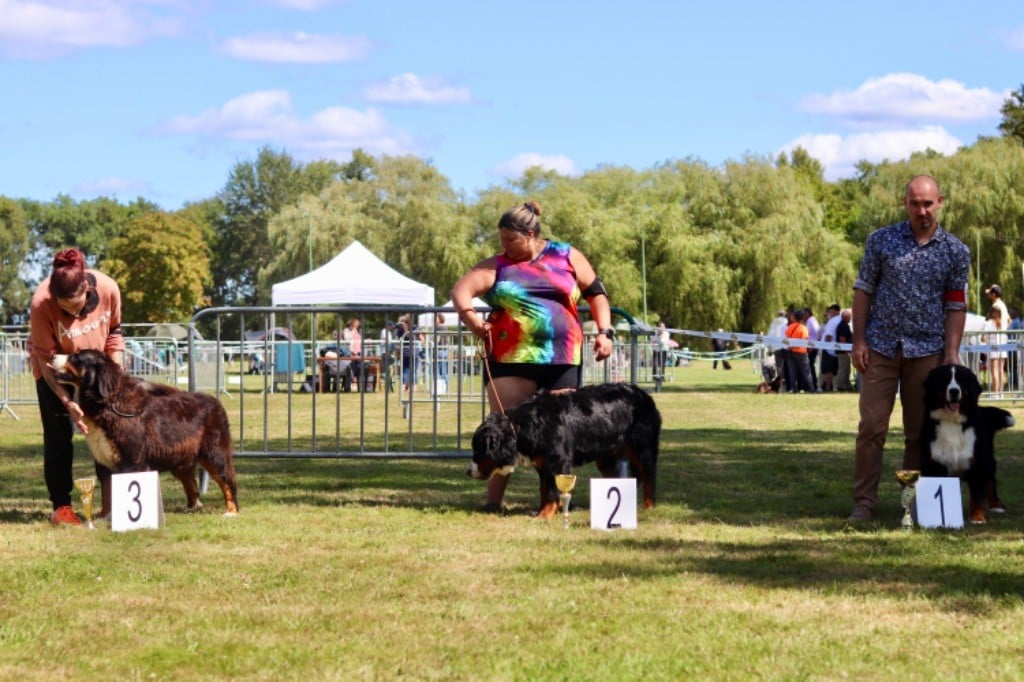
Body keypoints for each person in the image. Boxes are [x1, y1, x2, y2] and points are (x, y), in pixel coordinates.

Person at [450, 200, 614, 513]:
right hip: (509, 359)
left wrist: (605, 332)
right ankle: (492, 503)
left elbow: (596, 294)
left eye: (511, 240)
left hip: (562, 358)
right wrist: (471, 318)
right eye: (501, 240)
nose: (505, 246)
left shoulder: (566, 255)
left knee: (560, 433)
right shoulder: (498, 266)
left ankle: (556, 501)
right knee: (502, 431)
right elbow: (461, 291)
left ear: (530, 233)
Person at [849, 175, 969, 522]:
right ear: (905, 204)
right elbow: (863, 290)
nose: (922, 210)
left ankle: (914, 507)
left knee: (919, 434)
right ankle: (864, 504)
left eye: (928, 203)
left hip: (928, 352)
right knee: (871, 427)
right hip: (880, 349)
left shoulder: (956, 251)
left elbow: (956, 305)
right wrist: (858, 340)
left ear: (940, 202)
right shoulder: (881, 241)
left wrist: (951, 353)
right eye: (915, 203)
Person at [28, 247, 125, 526]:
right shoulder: (41, 304)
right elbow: (46, 362)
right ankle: (62, 507)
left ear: (86, 287)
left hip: (97, 373)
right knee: (58, 438)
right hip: (56, 374)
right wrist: (67, 402)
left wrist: (114, 377)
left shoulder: (108, 288)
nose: (73, 312)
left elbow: (115, 336)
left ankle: (111, 505)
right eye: (65, 308)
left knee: (105, 435)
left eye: (76, 304)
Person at [784, 309, 815, 393]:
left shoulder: (789, 327)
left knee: (792, 371)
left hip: (790, 351)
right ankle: (811, 388)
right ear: (802, 318)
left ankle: (794, 388)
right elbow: (805, 340)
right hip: (801, 351)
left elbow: (786, 338)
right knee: (806, 371)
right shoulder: (803, 328)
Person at [983, 305, 1007, 395]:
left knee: (995, 372)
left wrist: (983, 339)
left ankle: (995, 392)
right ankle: (1000, 392)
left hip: (993, 349)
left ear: (991, 313)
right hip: (1003, 348)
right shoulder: (1002, 323)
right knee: (1001, 370)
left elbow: (984, 337)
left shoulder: (988, 323)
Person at [819, 304, 842, 392]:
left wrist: (825, 345)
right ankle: (834, 387)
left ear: (836, 311)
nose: (829, 312)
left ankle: (823, 387)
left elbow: (828, 336)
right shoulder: (839, 320)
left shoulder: (833, 321)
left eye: (831, 311)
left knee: (826, 370)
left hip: (828, 348)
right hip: (835, 348)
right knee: (834, 370)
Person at [766, 309, 790, 392]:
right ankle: (788, 384)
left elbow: (769, 336)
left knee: (779, 367)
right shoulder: (787, 322)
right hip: (785, 347)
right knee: (787, 366)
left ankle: (781, 385)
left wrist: (769, 349)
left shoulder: (773, 323)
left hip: (776, 347)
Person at [834, 308, 854, 392]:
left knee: (846, 369)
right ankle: (840, 385)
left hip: (844, 351)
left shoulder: (844, 325)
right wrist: (846, 350)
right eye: (850, 317)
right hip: (843, 351)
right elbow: (842, 339)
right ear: (846, 317)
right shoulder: (843, 326)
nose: (850, 319)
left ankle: (845, 385)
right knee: (843, 369)